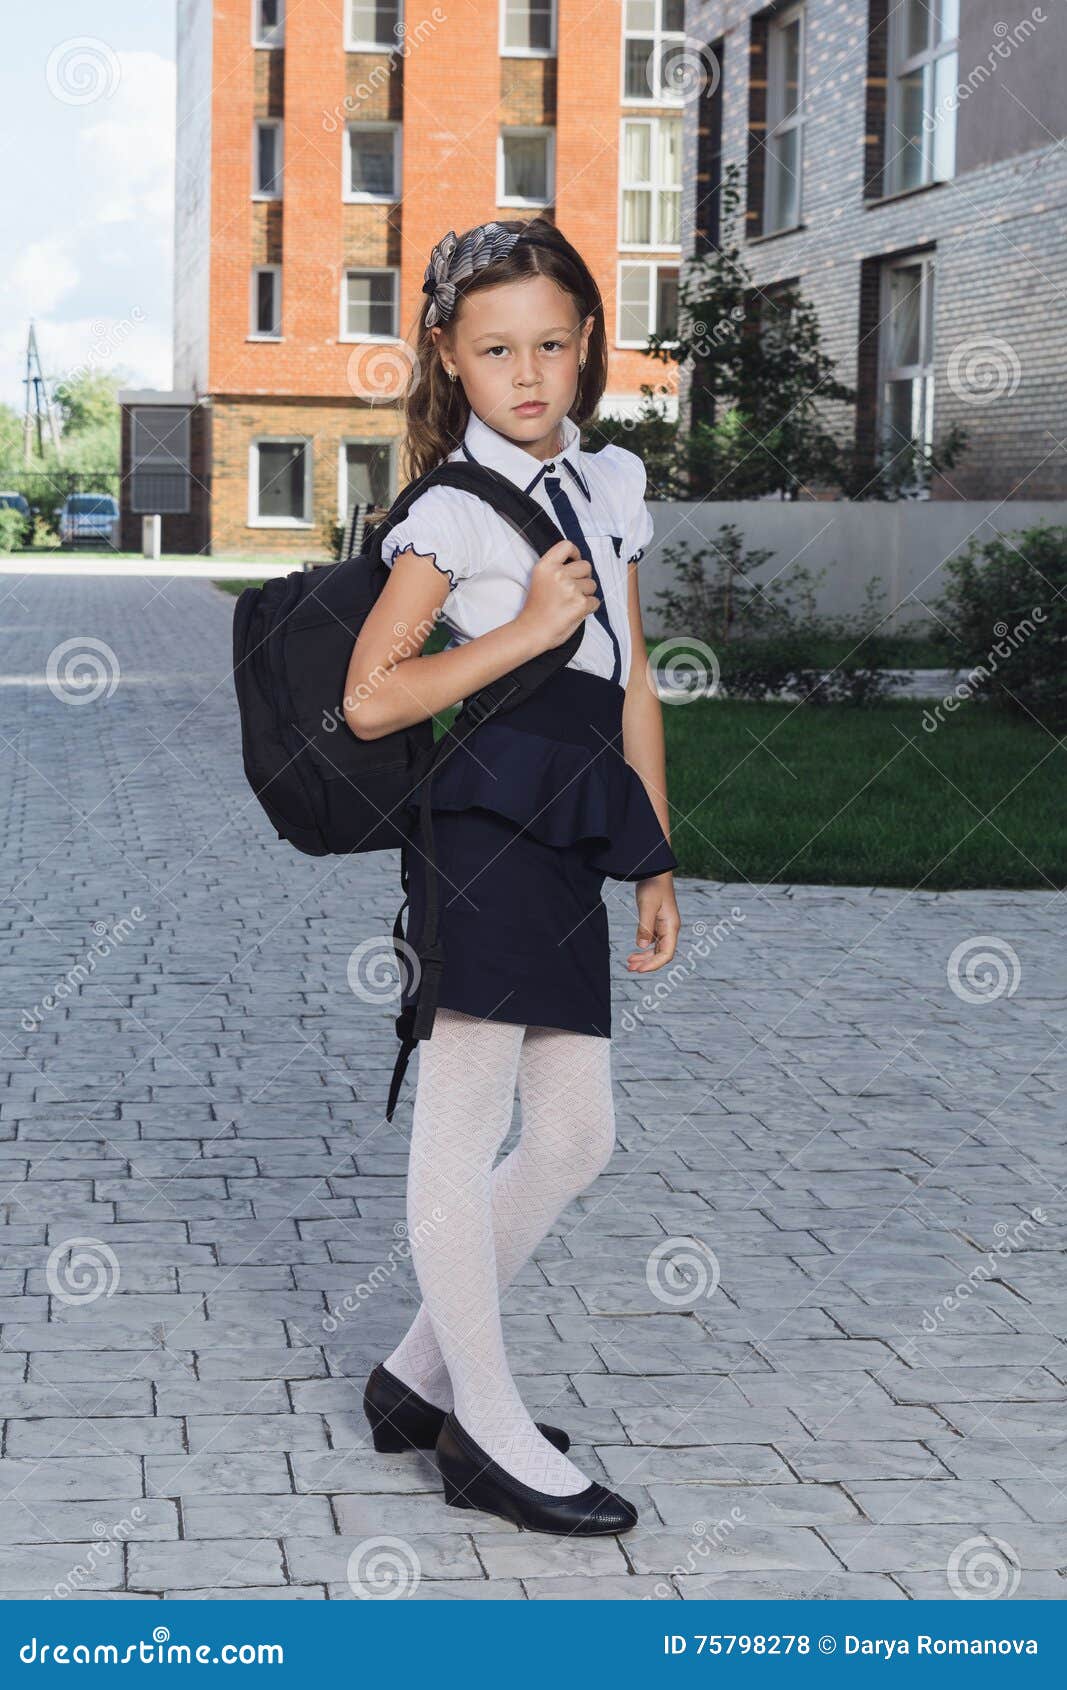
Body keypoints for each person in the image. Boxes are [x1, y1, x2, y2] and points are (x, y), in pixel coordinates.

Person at [347, 218, 681, 1536]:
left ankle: (414, 1377)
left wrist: (655, 853)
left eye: (551, 343)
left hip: (576, 831)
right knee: (466, 1118)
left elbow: (633, 676)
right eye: (496, 349)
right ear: (449, 353)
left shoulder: (608, 487)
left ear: (590, 341)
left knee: (577, 1134)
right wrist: (528, 629)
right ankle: (481, 1430)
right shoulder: (447, 513)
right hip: (479, 834)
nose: (529, 372)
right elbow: (372, 699)